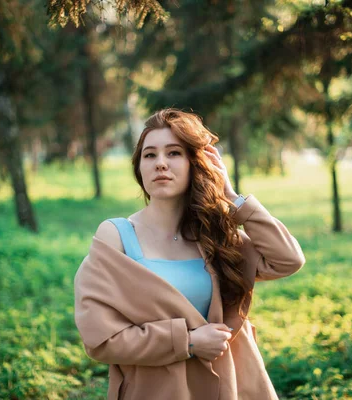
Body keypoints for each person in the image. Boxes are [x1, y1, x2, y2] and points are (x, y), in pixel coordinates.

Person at [74, 108, 305, 400]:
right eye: (150, 155)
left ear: (196, 164)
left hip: (226, 387)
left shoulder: (216, 236)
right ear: (139, 169)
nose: (160, 163)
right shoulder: (115, 236)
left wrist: (234, 199)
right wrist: (189, 342)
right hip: (154, 391)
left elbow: (288, 260)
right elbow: (100, 339)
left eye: (174, 153)